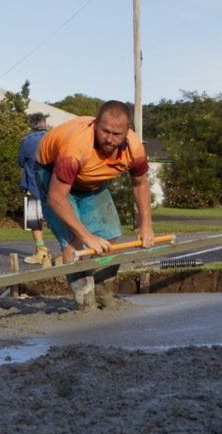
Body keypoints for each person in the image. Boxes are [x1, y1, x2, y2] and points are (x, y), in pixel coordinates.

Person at [34, 100, 155, 309]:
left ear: (127, 132)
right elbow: (56, 198)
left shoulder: (134, 148)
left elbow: (140, 183)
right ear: (96, 124)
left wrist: (146, 225)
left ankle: (102, 291)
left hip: (90, 182)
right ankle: (84, 299)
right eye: (105, 131)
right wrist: (86, 236)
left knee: (109, 236)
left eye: (116, 134)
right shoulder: (76, 148)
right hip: (51, 174)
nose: (109, 139)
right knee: (74, 242)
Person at [18, 112, 51, 265]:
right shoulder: (53, 137)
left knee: (34, 221)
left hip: (33, 184)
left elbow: (20, 162)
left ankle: (41, 251)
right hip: (54, 185)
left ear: (31, 125)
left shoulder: (27, 141)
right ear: (44, 123)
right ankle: (71, 249)